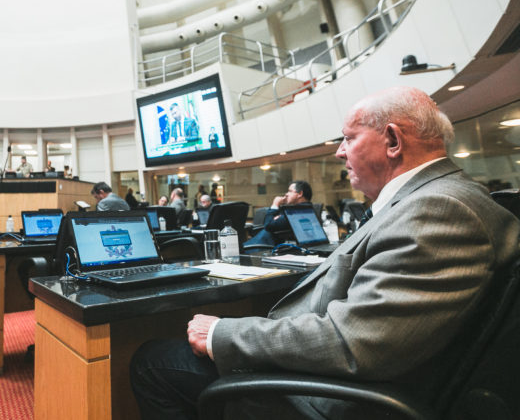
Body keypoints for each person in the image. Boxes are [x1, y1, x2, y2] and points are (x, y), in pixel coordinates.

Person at [130, 86, 520, 419]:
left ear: (393, 141)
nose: (338, 152)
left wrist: (222, 333)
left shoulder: (440, 210)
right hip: (354, 381)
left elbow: (353, 342)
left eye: (349, 138)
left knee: (152, 361)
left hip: (330, 399)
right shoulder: (442, 199)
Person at [243, 180, 313, 249]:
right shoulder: (306, 209)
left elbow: (268, 225)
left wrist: (275, 204)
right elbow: (273, 222)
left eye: (290, 191)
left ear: (300, 194)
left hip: (259, 249)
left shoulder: (296, 212)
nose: (286, 194)